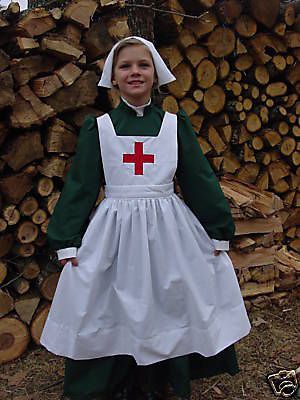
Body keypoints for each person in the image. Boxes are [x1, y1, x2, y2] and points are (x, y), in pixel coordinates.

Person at [40, 36, 251, 400]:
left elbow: (198, 178)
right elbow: (80, 186)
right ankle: (113, 381)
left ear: (156, 74)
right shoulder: (100, 128)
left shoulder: (173, 124)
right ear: (113, 76)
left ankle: (162, 380)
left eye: (143, 65)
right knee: (107, 301)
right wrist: (66, 238)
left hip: (168, 230)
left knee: (170, 298)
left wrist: (218, 229)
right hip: (115, 230)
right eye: (125, 66)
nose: (134, 72)